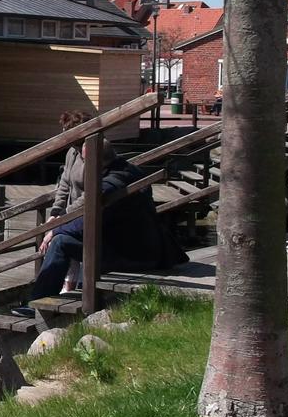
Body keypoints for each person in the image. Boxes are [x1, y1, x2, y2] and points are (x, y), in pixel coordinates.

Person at [20, 143, 188, 308]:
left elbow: (84, 225)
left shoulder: (109, 186)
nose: (83, 164)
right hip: (143, 248)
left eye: (85, 160)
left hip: (132, 255)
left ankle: (37, 302)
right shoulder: (128, 170)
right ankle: (48, 294)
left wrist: (55, 229)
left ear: (97, 162)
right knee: (66, 238)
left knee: (60, 242)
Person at [49, 110, 92, 293]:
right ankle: (65, 287)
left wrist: (64, 217)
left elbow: (89, 192)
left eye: (67, 131)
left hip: (87, 212)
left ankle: (71, 287)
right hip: (71, 210)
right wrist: (55, 213)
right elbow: (64, 184)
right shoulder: (71, 153)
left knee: (60, 239)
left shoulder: (90, 152)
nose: (64, 135)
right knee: (54, 237)